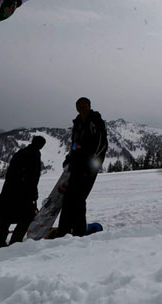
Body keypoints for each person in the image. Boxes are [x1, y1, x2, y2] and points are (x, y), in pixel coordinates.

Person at [55, 97, 108, 237]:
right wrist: (69, 158)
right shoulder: (78, 122)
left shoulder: (95, 121)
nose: (81, 109)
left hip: (88, 168)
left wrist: (93, 166)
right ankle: (63, 231)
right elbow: (75, 144)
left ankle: (79, 232)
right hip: (76, 166)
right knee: (67, 199)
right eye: (79, 107)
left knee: (78, 199)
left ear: (89, 106)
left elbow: (102, 145)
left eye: (84, 106)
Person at [0, 136, 45, 247]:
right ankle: (15, 244)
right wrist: (33, 193)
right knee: (26, 218)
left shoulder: (21, 153)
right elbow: (32, 178)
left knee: (5, 219)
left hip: (9, 192)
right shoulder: (34, 155)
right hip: (23, 194)